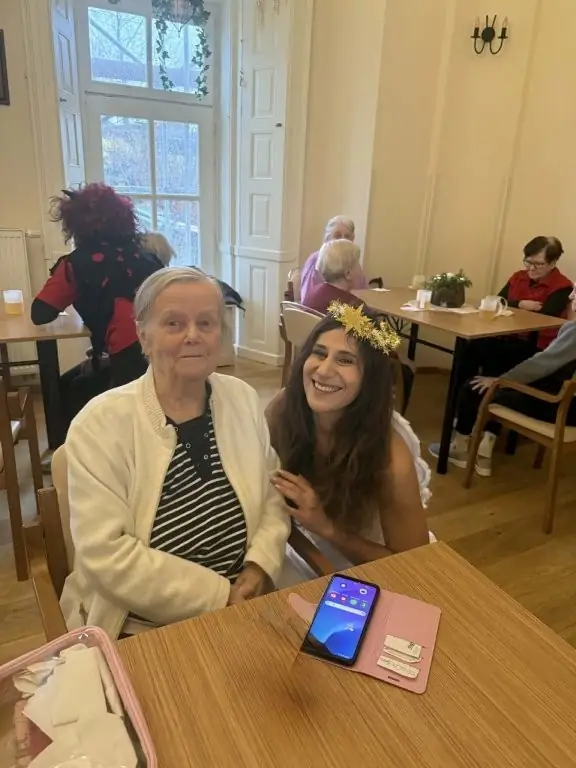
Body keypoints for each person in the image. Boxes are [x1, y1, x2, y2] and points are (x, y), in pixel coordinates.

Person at [60, 267, 290, 639]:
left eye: (206, 323)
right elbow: (106, 553)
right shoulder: (100, 424)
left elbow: (272, 497)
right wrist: (221, 597)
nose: (193, 335)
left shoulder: (243, 399)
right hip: (143, 628)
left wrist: (259, 566)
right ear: (143, 336)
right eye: (173, 323)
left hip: (247, 602)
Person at [266, 303, 430, 584]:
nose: (323, 370)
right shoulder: (284, 408)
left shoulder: (391, 460)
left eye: (345, 360)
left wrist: (326, 527)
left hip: (372, 564)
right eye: (319, 353)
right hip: (298, 542)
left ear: (370, 380)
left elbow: (411, 567)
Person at [31, 184, 163, 436]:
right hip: (165, 353)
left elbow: (40, 313)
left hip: (128, 358)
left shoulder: (76, 264)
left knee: (65, 389)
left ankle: (68, 449)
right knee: (74, 382)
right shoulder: (149, 258)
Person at [429, 284, 576, 477]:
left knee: (475, 386)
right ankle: (486, 443)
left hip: (560, 405)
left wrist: (500, 380)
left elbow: (542, 364)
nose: (571, 296)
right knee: (499, 356)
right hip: (566, 396)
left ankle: (461, 447)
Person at [303, 239, 415, 412]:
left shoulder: (314, 292)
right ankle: (390, 416)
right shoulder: (351, 306)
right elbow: (389, 343)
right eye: (358, 265)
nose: (361, 270)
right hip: (350, 364)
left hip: (318, 357)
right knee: (407, 367)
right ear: (348, 273)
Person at [459, 236, 573, 382]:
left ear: (553, 263)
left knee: (495, 353)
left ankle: (489, 389)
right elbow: (498, 300)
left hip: (535, 344)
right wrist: (520, 304)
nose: (531, 268)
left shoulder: (562, 286)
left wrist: (511, 305)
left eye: (538, 264)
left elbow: (544, 316)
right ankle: (463, 390)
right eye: (528, 262)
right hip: (506, 334)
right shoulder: (518, 277)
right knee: (473, 346)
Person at [300, 215, 367, 304]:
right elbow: (307, 299)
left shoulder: (353, 261)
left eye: (347, 237)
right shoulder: (316, 260)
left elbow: (363, 292)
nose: (342, 241)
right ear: (327, 239)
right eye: (337, 236)